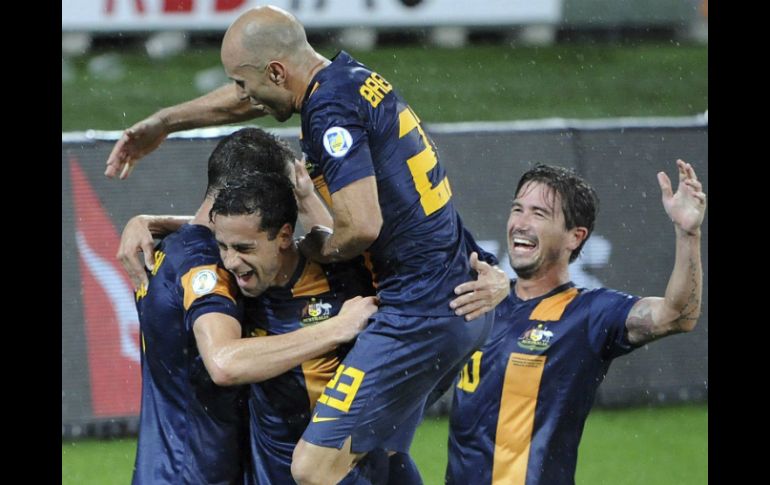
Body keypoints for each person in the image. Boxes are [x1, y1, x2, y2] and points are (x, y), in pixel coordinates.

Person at [105, 6, 510, 483]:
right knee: (378, 458)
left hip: (417, 313)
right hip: (455, 299)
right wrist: (165, 127)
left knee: (313, 467)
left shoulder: (328, 112)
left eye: (243, 83)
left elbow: (361, 227)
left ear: (278, 72)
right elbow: (407, 208)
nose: (241, 96)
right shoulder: (351, 81)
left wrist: (318, 247)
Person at [130, 127, 377, 485]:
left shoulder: (180, 246)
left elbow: (317, 248)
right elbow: (224, 363)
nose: (231, 259)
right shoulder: (205, 266)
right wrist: (337, 328)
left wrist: (151, 220)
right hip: (197, 472)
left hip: (168, 465)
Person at [446, 160, 706, 485]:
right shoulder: (483, 301)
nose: (521, 223)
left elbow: (678, 315)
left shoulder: (589, 314)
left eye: (539, 214)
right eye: (517, 209)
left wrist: (688, 233)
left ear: (575, 236)